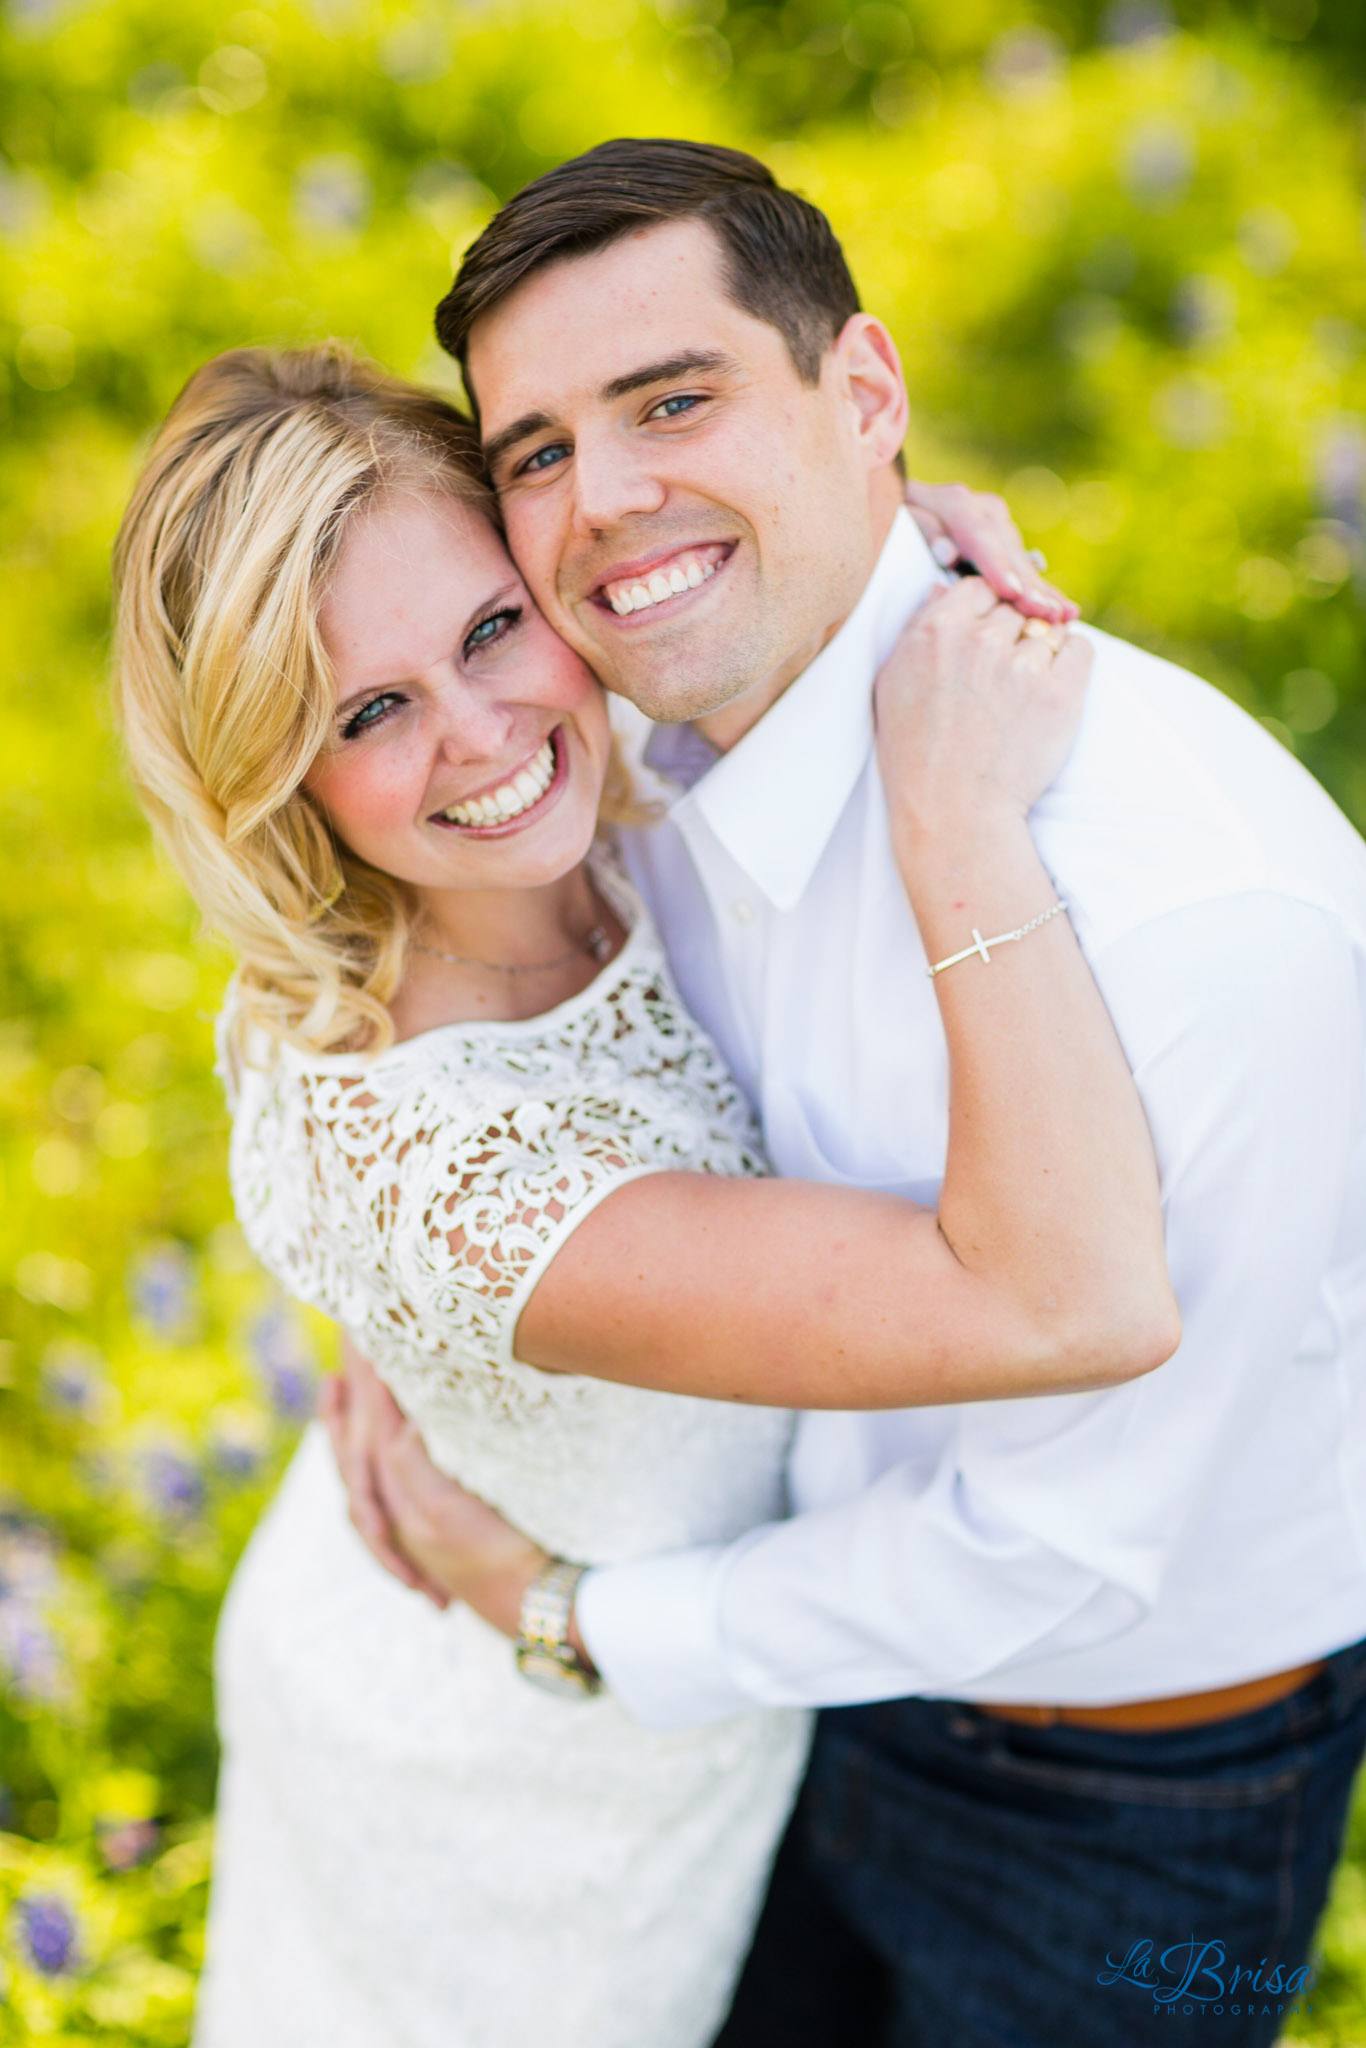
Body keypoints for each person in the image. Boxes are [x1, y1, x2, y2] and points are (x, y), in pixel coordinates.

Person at [340, 139, 1366, 2048]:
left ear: (866, 391)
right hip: (796, 1697)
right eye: (538, 451)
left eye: (674, 401)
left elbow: (1064, 1547)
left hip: (1135, 1810)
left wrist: (575, 1622)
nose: (607, 501)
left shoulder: (1197, 918)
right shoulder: (611, 740)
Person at [109, 342, 1175, 2048]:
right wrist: (960, 827)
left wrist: (878, 549)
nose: (483, 738)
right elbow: (1079, 1303)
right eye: (365, 715)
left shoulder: (614, 790)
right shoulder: (460, 1168)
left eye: (484, 630)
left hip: (627, 1660)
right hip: (512, 1811)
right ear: (274, 783)